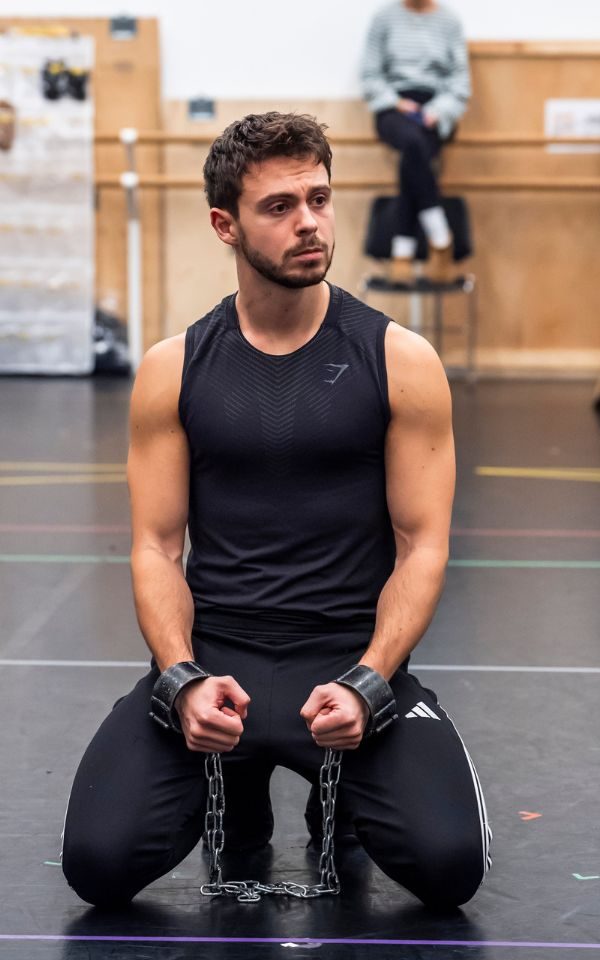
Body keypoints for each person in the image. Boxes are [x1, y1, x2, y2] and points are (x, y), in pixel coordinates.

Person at [61, 111, 491, 910]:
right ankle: (240, 774)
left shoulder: (398, 359)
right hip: (219, 657)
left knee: (448, 868)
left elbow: (422, 544)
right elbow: (155, 548)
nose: (309, 223)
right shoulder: (173, 368)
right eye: (279, 207)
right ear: (225, 224)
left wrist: (370, 681)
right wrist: (182, 677)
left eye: (319, 199)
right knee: (97, 862)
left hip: (349, 658)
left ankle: (347, 800)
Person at [361, 0, 471, 281]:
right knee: (413, 143)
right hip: (394, 108)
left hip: (436, 108)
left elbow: (460, 82)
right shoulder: (383, 18)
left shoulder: (450, 21)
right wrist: (397, 103)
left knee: (413, 155)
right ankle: (439, 235)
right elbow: (370, 76)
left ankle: (402, 252)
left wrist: (437, 111)